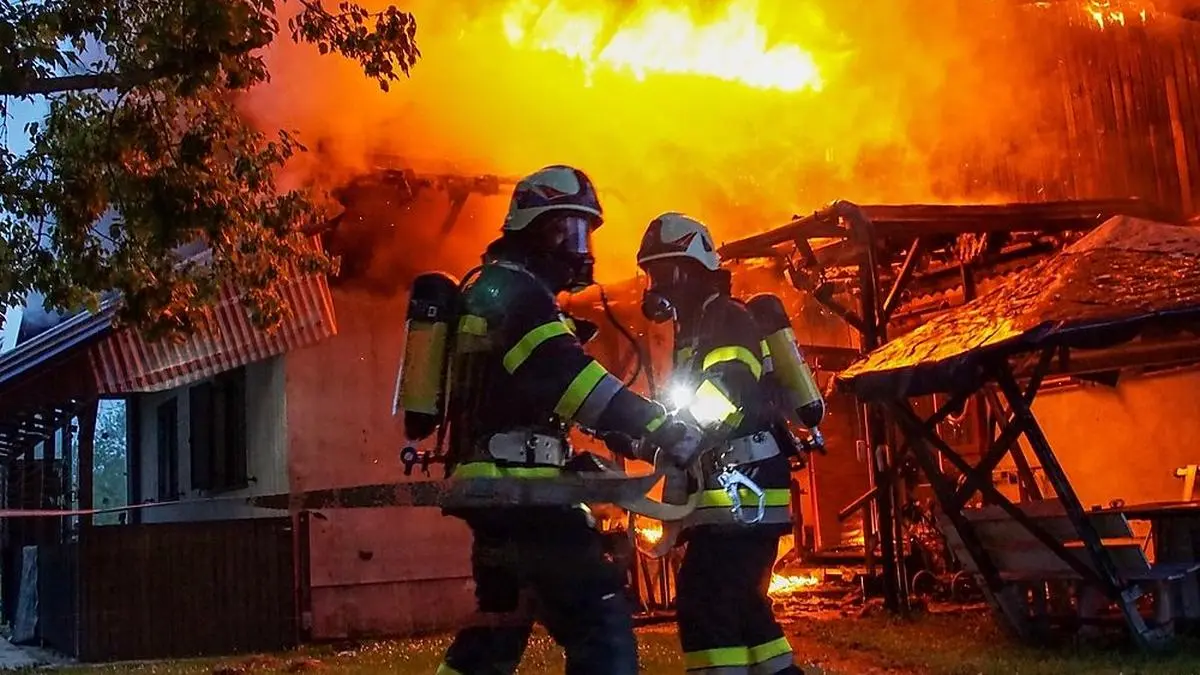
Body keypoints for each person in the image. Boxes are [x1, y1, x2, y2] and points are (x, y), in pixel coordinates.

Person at [434, 166, 704, 675]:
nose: (581, 249)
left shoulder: (493, 289)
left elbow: (548, 394)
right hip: (526, 493)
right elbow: (573, 383)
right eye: (569, 231)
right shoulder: (520, 295)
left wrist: (642, 444)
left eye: (585, 233)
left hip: (494, 490)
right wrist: (660, 426)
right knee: (600, 619)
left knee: (496, 631)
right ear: (536, 230)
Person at [636, 212, 803, 675]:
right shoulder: (699, 327)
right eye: (650, 276)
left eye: (664, 275)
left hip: (744, 496)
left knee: (704, 604)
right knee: (747, 614)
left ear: (692, 271)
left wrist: (667, 431)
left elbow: (726, 391)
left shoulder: (728, 319)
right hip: (732, 497)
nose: (656, 288)